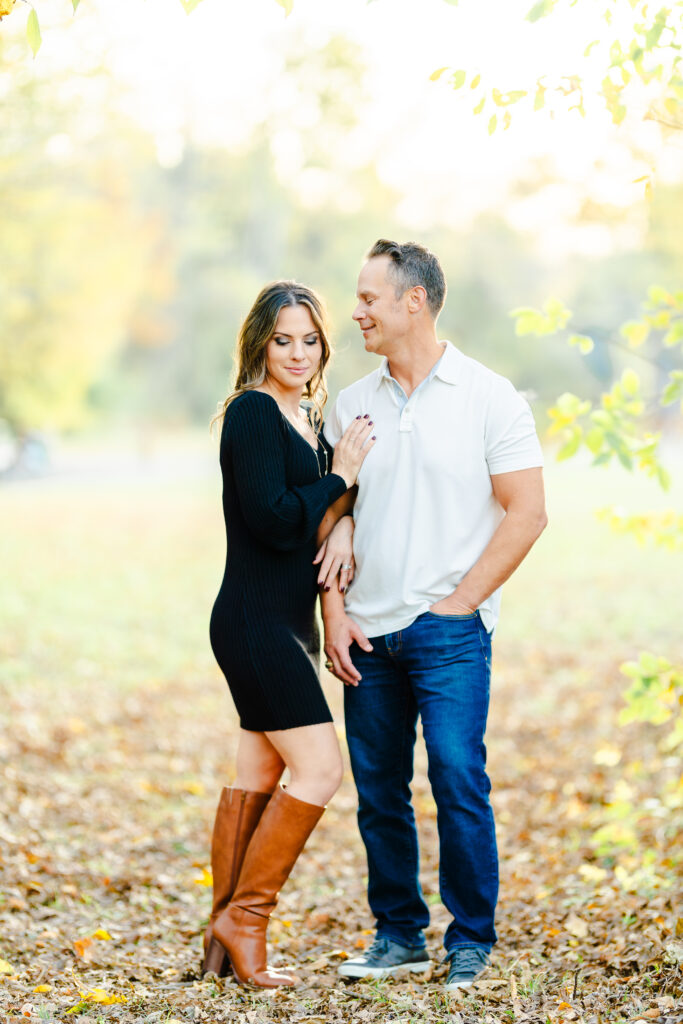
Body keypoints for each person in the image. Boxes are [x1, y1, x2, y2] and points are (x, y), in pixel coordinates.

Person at [322, 240, 547, 991]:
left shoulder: (490, 396)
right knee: (379, 788)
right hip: (366, 631)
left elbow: (526, 513)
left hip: (449, 632)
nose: (354, 312)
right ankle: (398, 936)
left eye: (368, 299)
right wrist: (333, 612)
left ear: (412, 301)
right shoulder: (349, 403)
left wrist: (459, 604)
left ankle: (470, 939)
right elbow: (330, 516)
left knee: (456, 778)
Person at [203, 281, 375, 989]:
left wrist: (346, 519)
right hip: (251, 620)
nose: (298, 353)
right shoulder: (250, 413)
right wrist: (338, 476)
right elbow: (274, 519)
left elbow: (338, 499)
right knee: (320, 770)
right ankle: (246, 920)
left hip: (287, 620)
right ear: (258, 344)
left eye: (309, 339)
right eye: (283, 340)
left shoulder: (307, 416)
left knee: (260, 775)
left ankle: (220, 943)